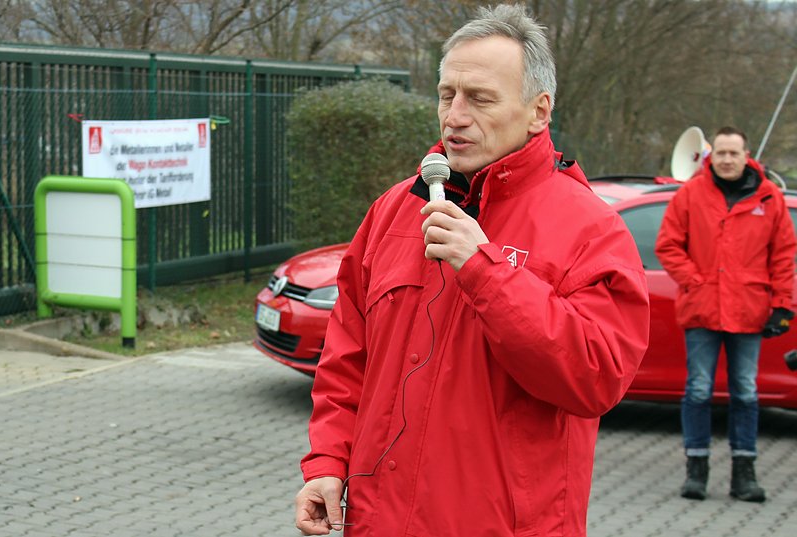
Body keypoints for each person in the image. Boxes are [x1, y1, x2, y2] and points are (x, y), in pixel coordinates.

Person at [294, 5, 650, 536]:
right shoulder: (394, 210)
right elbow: (347, 360)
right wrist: (328, 462)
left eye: (480, 99)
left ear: (538, 111)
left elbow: (595, 378)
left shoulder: (590, 229)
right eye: (447, 95)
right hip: (379, 520)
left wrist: (486, 270)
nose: (455, 116)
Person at [655, 126, 796, 503]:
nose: (727, 160)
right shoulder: (690, 194)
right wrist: (695, 281)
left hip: (749, 310)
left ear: (747, 156)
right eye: (721, 153)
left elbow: (784, 256)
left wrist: (784, 305)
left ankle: (744, 473)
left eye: (734, 153)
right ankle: (696, 470)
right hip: (702, 310)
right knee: (698, 390)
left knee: (746, 392)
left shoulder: (770, 197)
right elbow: (668, 245)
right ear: (710, 156)